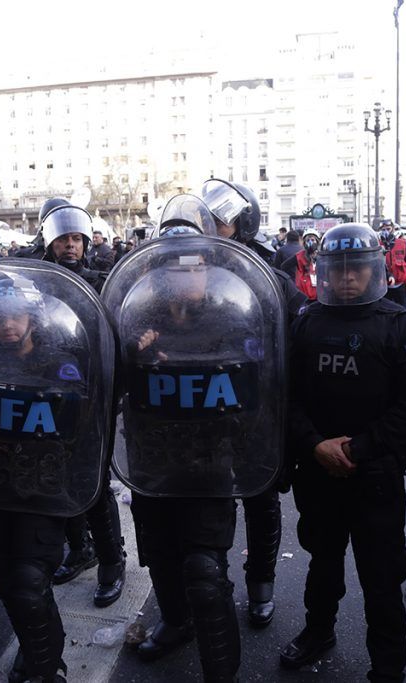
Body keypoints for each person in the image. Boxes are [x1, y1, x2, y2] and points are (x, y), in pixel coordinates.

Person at [107, 221, 285, 682]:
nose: (187, 276)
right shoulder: (134, 316)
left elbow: (261, 390)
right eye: (176, 268)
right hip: (151, 460)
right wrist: (131, 356)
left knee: (205, 573)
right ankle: (175, 622)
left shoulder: (233, 313)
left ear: (209, 270)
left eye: (196, 267)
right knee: (161, 556)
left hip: (209, 460)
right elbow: (103, 390)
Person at [281, 223, 406, 681]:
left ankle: (388, 664)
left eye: (356, 268)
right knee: (323, 562)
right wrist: (314, 444)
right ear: (325, 271)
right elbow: (284, 394)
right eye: (339, 267)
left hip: (376, 474)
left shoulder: (401, 325)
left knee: (381, 576)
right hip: (318, 470)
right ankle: (318, 630)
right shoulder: (305, 322)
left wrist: (360, 448)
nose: (347, 276)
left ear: (374, 270)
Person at [0, 273, 114, 683]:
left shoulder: (61, 363)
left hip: (44, 490)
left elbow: (83, 426)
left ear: (32, 317)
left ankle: (49, 670)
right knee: (9, 586)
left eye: (15, 316)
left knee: (30, 583)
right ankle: (36, 647)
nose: (7, 325)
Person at [202, 178, 308, 627]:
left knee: (261, 500)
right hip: (206, 408)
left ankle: (261, 586)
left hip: (259, 410)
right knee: (210, 500)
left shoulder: (271, 273)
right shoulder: (191, 267)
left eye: (220, 219)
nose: (211, 226)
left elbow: (302, 333)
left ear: (243, 221)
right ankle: (212, 586)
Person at [37, 203, 127, 608]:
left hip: (92, 394)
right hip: (50, 391)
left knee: (92, 483)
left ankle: (112, 559)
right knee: (58, 475)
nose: (70, 246)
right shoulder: (36, 280)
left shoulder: (101, 282)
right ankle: (81, 548)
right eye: (63, 239)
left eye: (76, 239)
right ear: (49, 241)